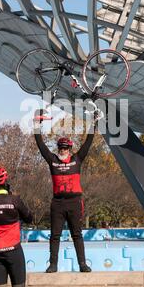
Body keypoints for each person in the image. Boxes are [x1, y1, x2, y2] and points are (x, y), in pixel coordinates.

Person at [34, 111, 98, 273]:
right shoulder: (52, 160)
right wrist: (37, 126)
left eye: (65, 148)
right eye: (60, 147)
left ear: (70, 148)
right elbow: (41, 145)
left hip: (75, 202)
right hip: (57, 203)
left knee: (77, 234)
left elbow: (88, 143)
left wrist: (94, 123)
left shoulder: (77, 159)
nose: (62, 150)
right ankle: (53, 264)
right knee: (55, 235)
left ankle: (82, 264)